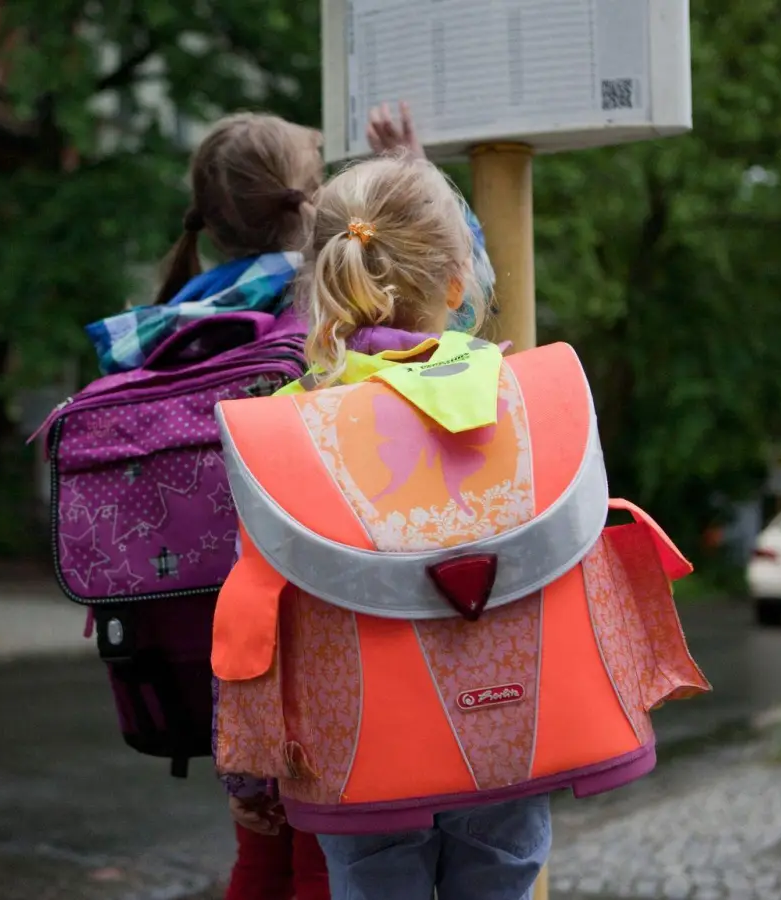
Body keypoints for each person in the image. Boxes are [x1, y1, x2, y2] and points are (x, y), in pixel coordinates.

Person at [220, 154, 551, 900]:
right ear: (457, 285)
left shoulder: (289, 427)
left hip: (362, 746)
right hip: (504, 729)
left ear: (320, 282)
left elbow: (251, 614)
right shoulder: (518, 400)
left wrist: (249, 761)